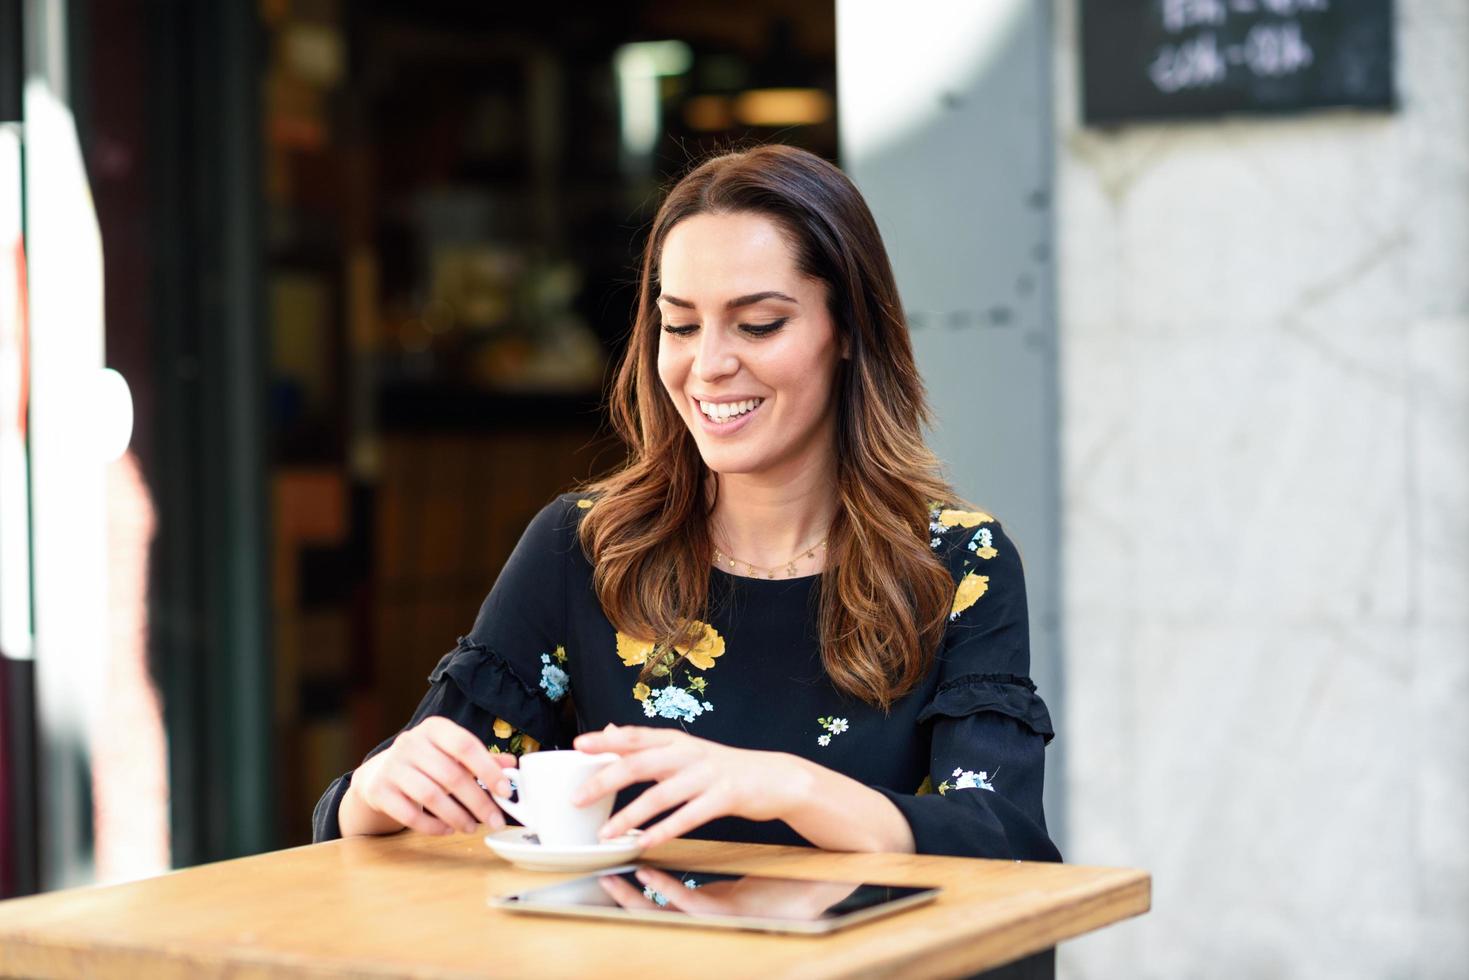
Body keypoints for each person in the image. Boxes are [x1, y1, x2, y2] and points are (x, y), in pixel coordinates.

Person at [312, 144, 1061, 861]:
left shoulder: (956, 562)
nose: (708, 365)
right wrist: (373, 793)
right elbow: (421, 797)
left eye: (758, 324)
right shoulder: (583, 547)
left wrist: (788, 787)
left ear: (848, 331)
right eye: (679, 324)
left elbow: (1002, 839)